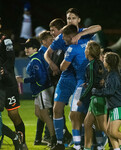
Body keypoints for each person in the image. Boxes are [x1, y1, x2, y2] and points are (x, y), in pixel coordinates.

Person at [44, 8, 101, 150]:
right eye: (68, 18)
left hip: (83, 77)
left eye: (73, 18)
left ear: (79, 20)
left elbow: (99, 27)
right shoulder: (62, 37)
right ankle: (59, 142)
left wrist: (80, 34)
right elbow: (48, 53)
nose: (70, 21)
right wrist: (52, 64)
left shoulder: (85, 33)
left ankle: (83, 142)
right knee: (57, 108)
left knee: (79, 113)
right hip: (67, 76)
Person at [0, 14, 27, 149]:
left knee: (13, 114)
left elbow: (10, 60)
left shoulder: (6, 40)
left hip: (8, 84)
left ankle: (22, 142)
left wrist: (2, 70)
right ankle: (2, 139)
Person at [91, 52, 121, 150]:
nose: (103, 61)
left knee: (114, 132)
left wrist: (95, 91)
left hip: (118, 106)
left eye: (104, 59)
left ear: (108, 62)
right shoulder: (112, 73)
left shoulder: (113, 75)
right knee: (109, 131)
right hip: (115, 106)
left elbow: (109, 91)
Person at [16, 38, 56, 147]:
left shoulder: (35, 60)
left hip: (43, 90)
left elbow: (41, 78)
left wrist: (24, 80)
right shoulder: (35, 58)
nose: (26, 49)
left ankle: (54, 139)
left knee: (45, 115)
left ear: (35, 49)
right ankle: (55, 133)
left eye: (28, 47)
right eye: (25, 47)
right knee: (38, 113)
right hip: (41, 90)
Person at [76, 41, 107, 150]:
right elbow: (96, 81)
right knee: (88, 124)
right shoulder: (101, 63)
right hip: (100, 97)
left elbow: (92, 84)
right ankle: (87, 147)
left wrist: (81, 98)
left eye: (86, 49)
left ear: (88, 52)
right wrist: (88, 83)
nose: (84, 51)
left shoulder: (91, 65)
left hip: (96, 98)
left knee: (102, 126)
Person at [33, 31, 54, 146]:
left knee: (43, 113)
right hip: (44, 87)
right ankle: (54, 137)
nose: (52, 42)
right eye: (50, 40)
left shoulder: (42, 52)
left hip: (42, 87)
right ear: (44, 41)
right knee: (43, 113)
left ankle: (47, 138)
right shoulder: (43, 53)